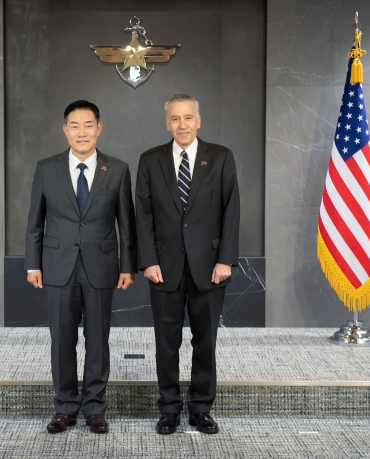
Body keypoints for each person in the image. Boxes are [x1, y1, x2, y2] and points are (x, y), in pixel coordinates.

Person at [25, 100, 137, 434]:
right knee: (61, 340)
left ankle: (94, 408)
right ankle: (65, 407)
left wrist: (127, 266)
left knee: (98, 340)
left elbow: (126, 225)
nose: (82, 132)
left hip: (102, 266)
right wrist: (33, 264)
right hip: (58, 266)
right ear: (65, 130)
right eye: (75, 125)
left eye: (88, 125)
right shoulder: (47, 168)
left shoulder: (116, 169)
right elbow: (35, 221)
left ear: (99, 128)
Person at [135, 94, 240, 435]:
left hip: (210, 267)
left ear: (199, 120)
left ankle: (200, 408)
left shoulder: (221, 157)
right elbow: (143, 215)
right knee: (166, 343)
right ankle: (168, 409)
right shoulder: (150, 160)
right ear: (167, 123)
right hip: (163, 268)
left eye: (188, 118)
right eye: (175, 119)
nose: (182, 125)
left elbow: (231, 211)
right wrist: (147, 260)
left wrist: (226, 259)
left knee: (204, 341)